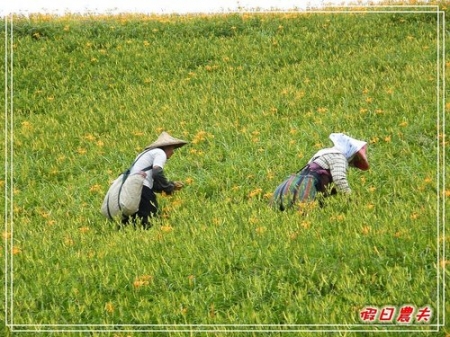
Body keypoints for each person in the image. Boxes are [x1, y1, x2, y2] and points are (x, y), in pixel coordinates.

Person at [270, 133, 369, 211]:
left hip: (294, 185)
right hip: (307, 188)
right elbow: (339, 180)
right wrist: (352, 201)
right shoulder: (339, 157)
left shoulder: (325, 152)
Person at [121, 131, 188, 228]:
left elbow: (151, 183)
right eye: (172, 148)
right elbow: (157, 173)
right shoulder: (160, 153)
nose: (173, 152)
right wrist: (168, 187)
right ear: (167, 147)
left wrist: (171, 185)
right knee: (150, 221)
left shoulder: (143, 154)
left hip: (132, 190)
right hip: (142, 190)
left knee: (132, 223)